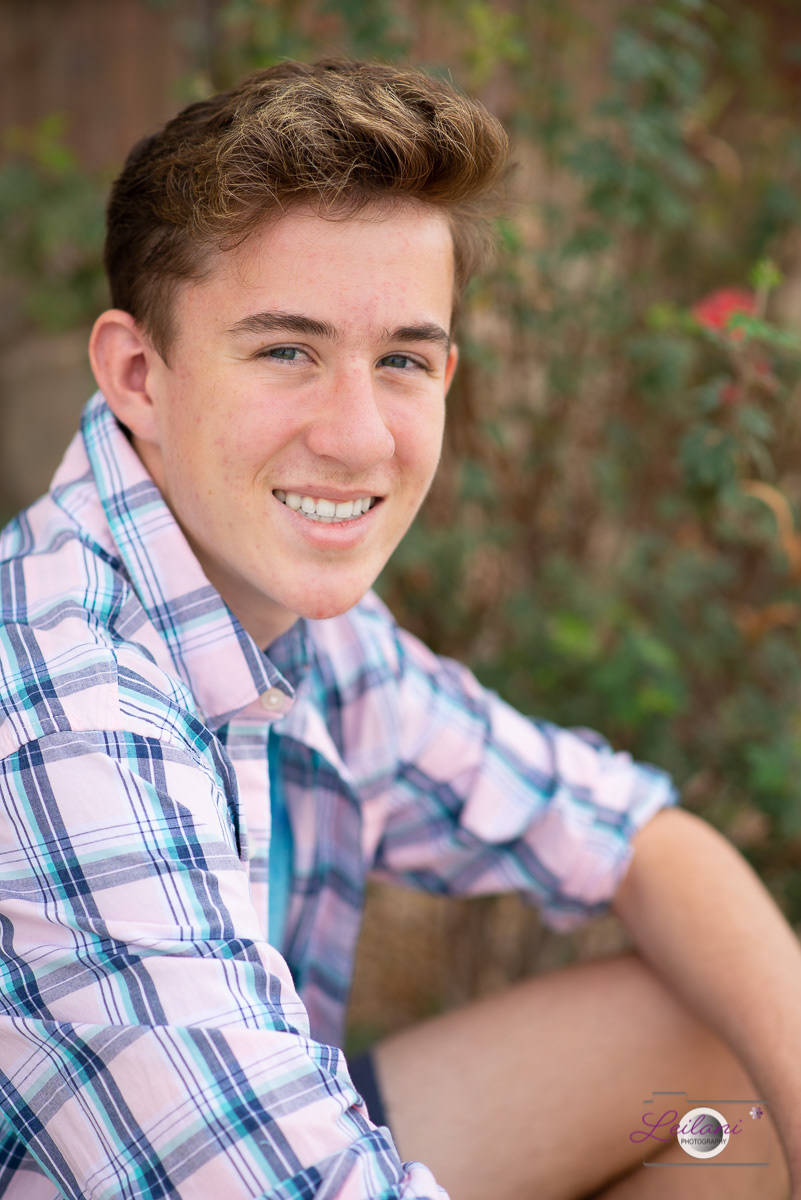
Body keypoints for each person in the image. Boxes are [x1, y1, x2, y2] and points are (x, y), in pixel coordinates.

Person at [0, 58, 798, 1200]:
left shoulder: (296, 625)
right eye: (287, 350)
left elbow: (635, 835)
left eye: (402, 361)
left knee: (728, 1051)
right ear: (138, 373)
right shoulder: (64, 717)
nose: (360, 436)